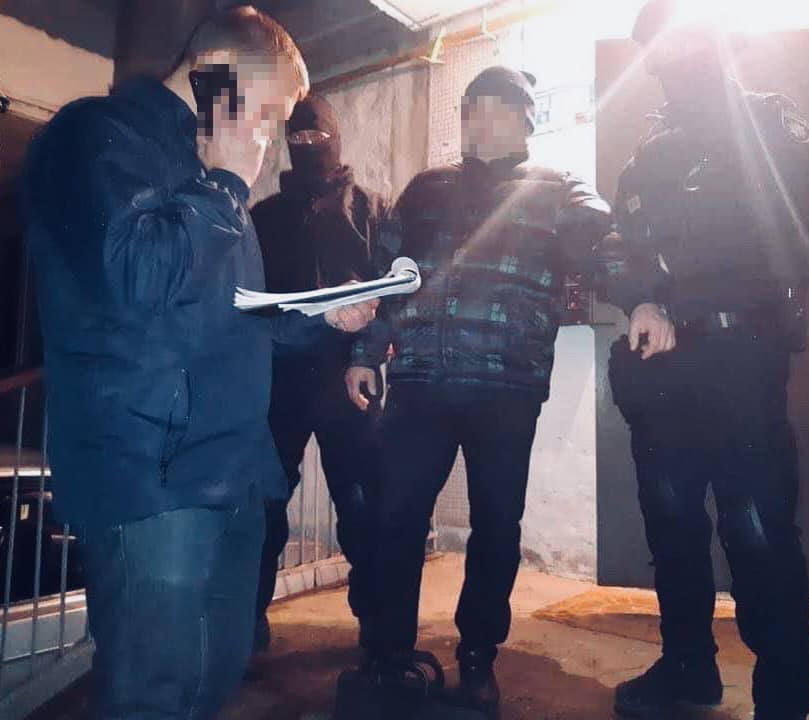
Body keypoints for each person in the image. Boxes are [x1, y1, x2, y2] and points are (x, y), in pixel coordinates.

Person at [21, 7, 377, 719]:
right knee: (153, 693)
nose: (269, 137)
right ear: (216, 76)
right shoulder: (95, 135)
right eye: (268, 112)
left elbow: (230, 318)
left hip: (232, 469)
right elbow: (134, 279)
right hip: (153, 475)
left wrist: (322, 320)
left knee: (212, 679)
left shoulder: (209, 174)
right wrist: (225, 187)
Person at [347, 66, 611, 717]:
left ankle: (477, 658)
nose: (479, 120)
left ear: (526, 118)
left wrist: (641, 281)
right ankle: (388, 654)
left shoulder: (559, 188)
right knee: (395, 518)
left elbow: (604, 238)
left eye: (495, 107)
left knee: (496, 525)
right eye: (471, 108)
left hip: (506, 387)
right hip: (419, 382)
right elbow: (389, 275)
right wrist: (363, 352)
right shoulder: (426, 189)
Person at [600, 2, 809, 719]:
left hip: (740, 360)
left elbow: (800, 246)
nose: (672, 52)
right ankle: (686, 670)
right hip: (662, 372)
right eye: (658, 43)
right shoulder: (646, 153)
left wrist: (679, 286)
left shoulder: (767, 124)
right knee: (671, 526)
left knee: (757, 529)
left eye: (686, 34)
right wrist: (642, 296)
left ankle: (784, 696)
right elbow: (618, 246)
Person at [250, 93, 388, 655]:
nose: (308, 146)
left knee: (362, 503)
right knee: (263, 503)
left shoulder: (370, 209)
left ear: (336, 137)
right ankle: (248, 621)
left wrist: (366, 355)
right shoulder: (263, 217)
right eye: (298, 139)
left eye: (318, 136)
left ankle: (376, 623)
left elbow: (391, 294)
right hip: (279, 379)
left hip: (347, 380)